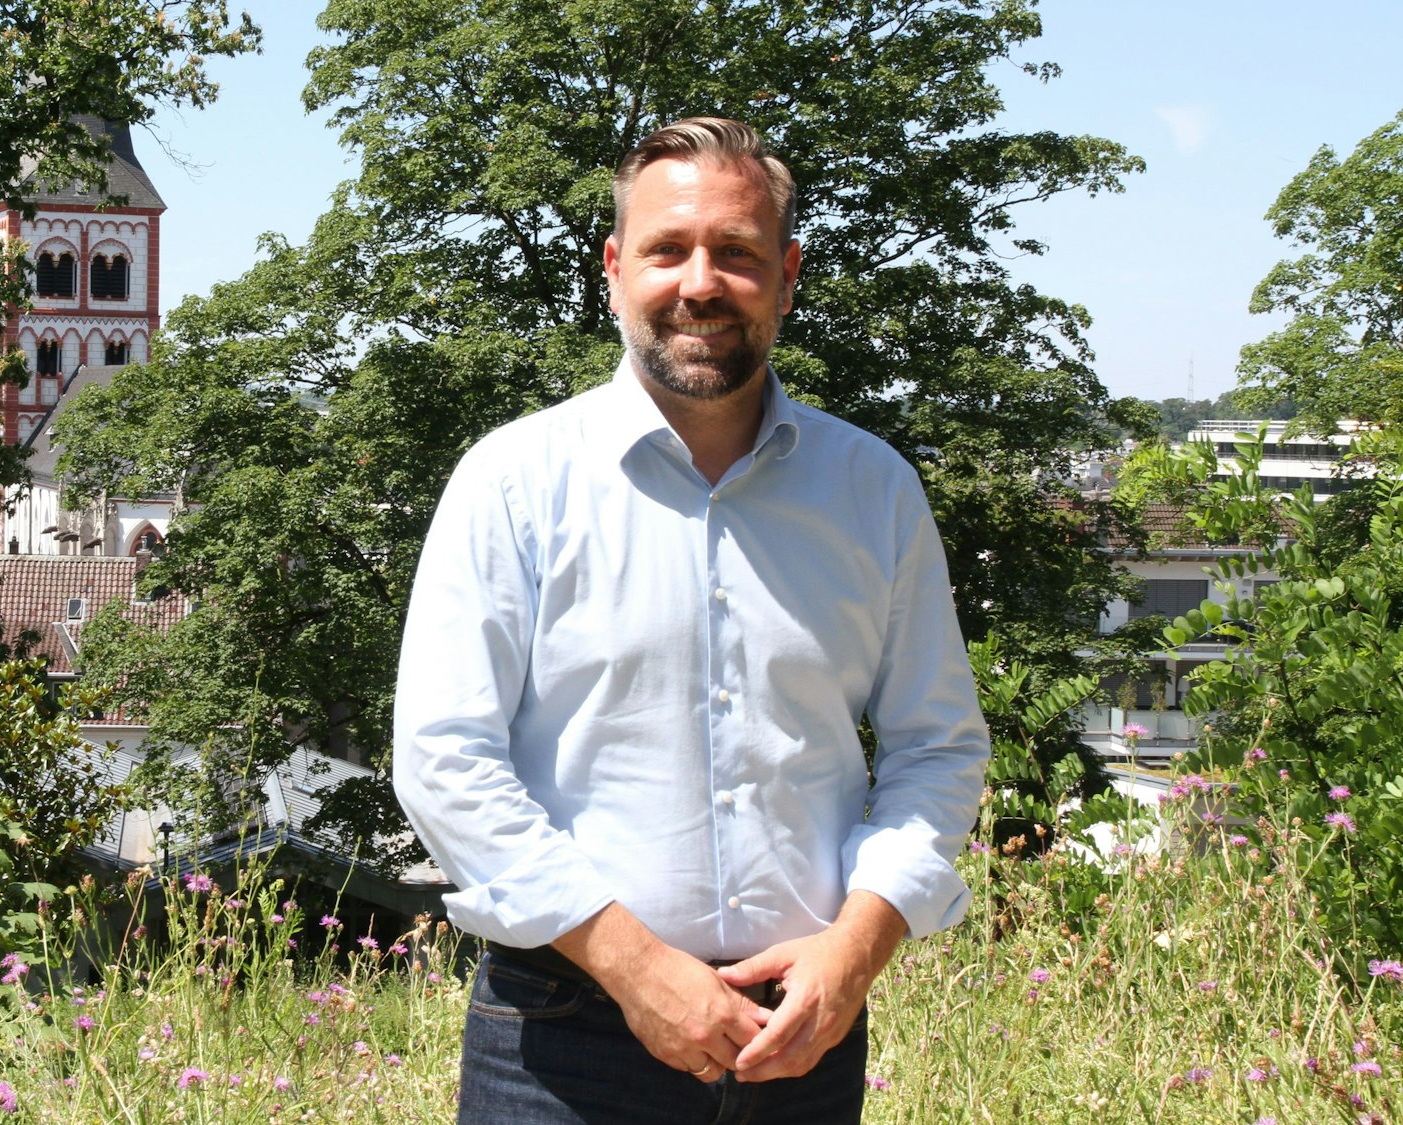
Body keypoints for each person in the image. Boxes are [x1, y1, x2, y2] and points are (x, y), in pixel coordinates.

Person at [391, 117, 991, 1124]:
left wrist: (857, 948)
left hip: (799, 1038)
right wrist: (632, 966)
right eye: (668, 249)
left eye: (738, 253)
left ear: (787, 275)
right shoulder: (512, 482)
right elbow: (445, 756)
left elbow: (937, 748)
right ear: (615, 268)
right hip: (559, 1040)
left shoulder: (872, 490)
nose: (699, 283)